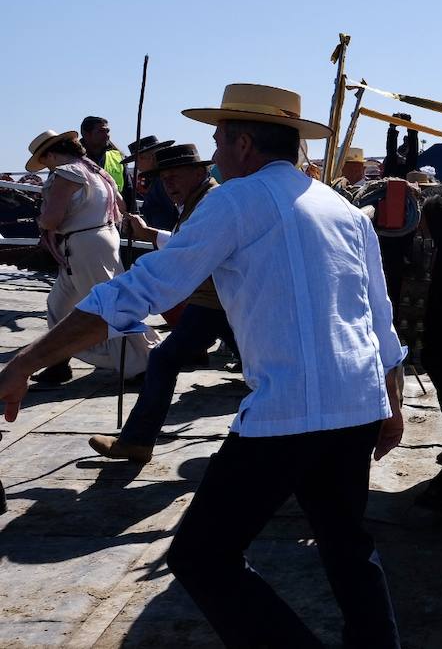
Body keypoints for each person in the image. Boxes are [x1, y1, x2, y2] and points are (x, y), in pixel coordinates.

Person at [0, 84, 405, 646]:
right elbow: (379, 321)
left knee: (202, 558)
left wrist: (26, 359)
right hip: (357, 404)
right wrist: (394, 403)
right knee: (348, 547)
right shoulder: (341, 207)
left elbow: (138, 292)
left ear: (244, 143)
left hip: (287, 414)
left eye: (218, 139)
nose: (213, 152)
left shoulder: (234, 200)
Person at [89, 143, 237, 462]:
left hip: (221, 301)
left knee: (165, 360)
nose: (168, 185)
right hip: (218, 301)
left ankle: (138, 441)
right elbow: (186, 244)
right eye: (163, 179)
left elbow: (184, 252)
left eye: (174, 176)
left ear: (199, 172)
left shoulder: (209, 202)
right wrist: (149, 234)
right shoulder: (200, 199)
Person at [24, 129, 156, 387]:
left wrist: (40, 222)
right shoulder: (97, 172)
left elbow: (52, 218)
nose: (46, 167)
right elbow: (120, 204)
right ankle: (58, 362)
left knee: (109, 306)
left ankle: (142, 362)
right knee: (59, 304)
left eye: (45, 161)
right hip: (98, 239)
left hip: (85, 245)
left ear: (51, 154)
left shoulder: (66, 173)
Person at [125, 136, 179, 230]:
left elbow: (169, 216)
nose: (137, 165)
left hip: (168, 238)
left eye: (138, 160)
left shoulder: (163, 182)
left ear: (152, 158)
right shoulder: (160, 180)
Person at [79, 115, 125, 192]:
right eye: (101, 131)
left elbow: (128, 192)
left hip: (116, 203)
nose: (107, 135)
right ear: (86, 134)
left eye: (107, 131)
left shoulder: (118, 157)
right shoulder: (71, 159)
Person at [382, 114, 419, 179]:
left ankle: (394, 127)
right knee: (392, 156)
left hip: (400, 172)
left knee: (392, 156)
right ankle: (394, 127)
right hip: (395, 172)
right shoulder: (402, 149)